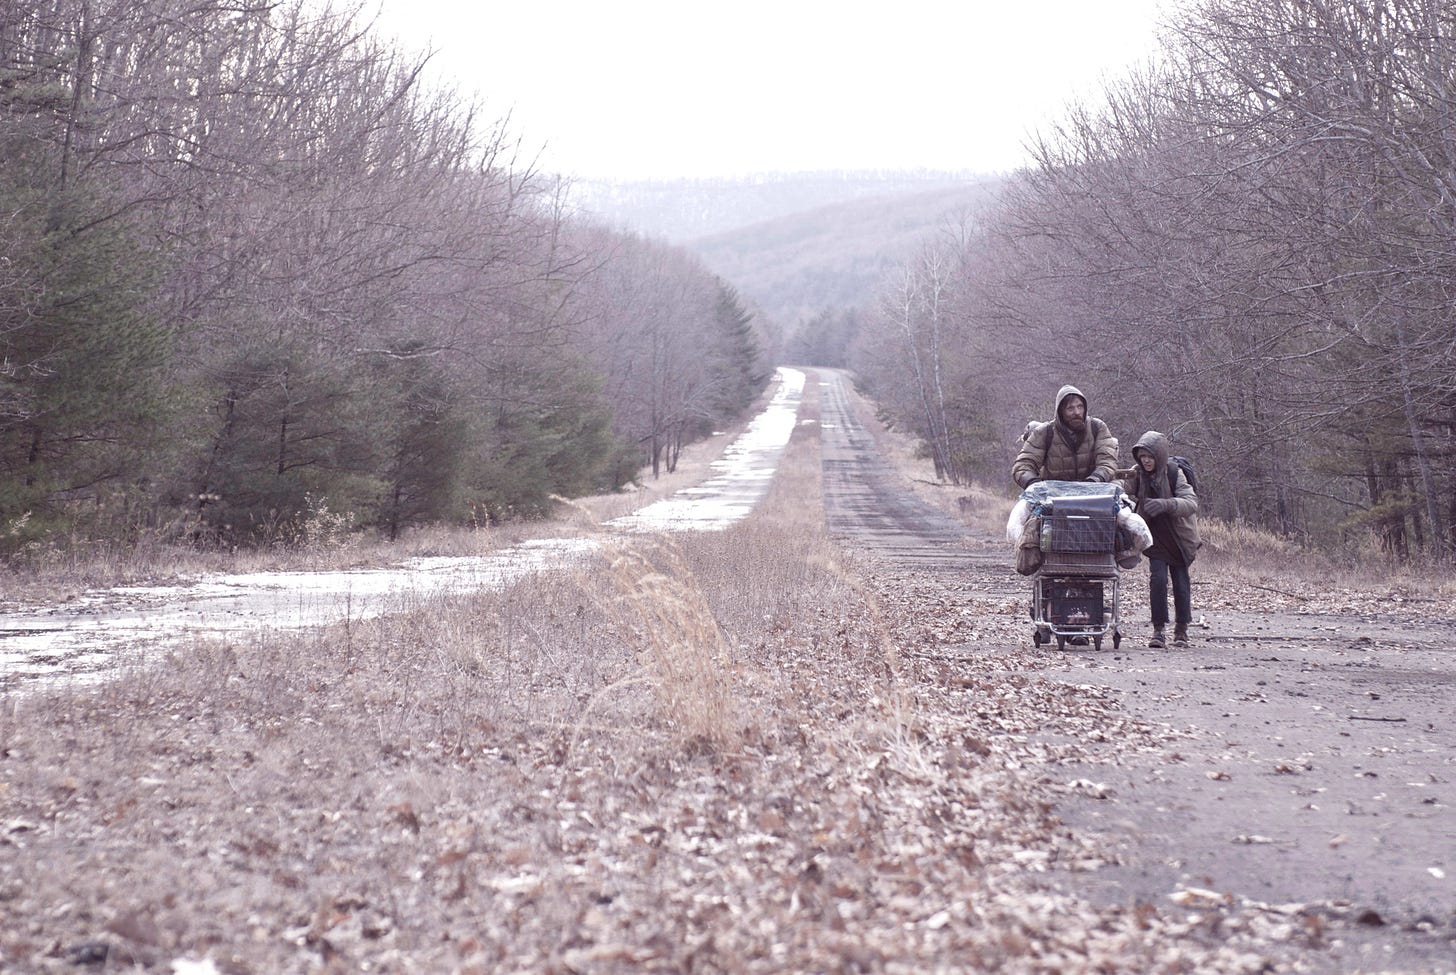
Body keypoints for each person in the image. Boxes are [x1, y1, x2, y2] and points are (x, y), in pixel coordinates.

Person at [1122, 431, 1200, 648]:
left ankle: (1182, 630)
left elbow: (1191, 502)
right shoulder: (1137, 474)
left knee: (1181, 584)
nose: (1146, 460)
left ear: (1160, 456)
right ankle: (1158, 630)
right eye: (1142, 456)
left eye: (1150, 456)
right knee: (1158, 581)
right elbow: (1122, 489)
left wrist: (1166, 504)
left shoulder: (1175, 473)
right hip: (1155, 538)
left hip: (1179, 539)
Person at [1012, 385, 1119, 488]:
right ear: (1060, 412)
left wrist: (1094, 480)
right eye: (1070, 408)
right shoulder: (1045, 432)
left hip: (1095, 493)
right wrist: (1034, 483)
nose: (1077, 412)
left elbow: (1108, 461)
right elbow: (1023, 465)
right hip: (1053, 498)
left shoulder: (1097, 427)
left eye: (1080, 407)